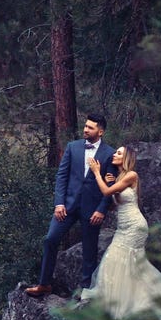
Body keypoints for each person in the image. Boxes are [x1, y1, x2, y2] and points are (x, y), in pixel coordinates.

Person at [79, 145, 161, 320]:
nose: (115, 154)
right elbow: (114, 204)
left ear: (126, 158)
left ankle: (143, 305)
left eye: (119, 153)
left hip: (135, 226)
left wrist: (97, 173)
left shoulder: (131, 175)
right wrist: (109, 183)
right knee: (120, 263)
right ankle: (125, 302)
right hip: (123, 227)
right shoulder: (120, 177)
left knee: (124, 261)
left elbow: (106, 192)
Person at [25, 113, 117, 297]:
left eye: (90, 127)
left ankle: (86, 291)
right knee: (50, 239)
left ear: (100, 131)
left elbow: (111, 184)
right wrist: (58, 203)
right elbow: (61, 176)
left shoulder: (110, 153)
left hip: (92, 209)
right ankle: (44, 283)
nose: (85, 129)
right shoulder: (72, 147)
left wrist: (101, 209)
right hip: (66, 206)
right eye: (85, 126)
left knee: (90, 249)